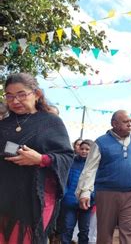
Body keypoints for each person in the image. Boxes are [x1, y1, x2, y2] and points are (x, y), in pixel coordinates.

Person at [0, 73, 74, 243]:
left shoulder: (51, 122)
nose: (15, 101)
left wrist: (41, 159)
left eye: (21, 94)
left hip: (35, 199)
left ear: (37, 94)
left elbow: (66, 156)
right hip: (4, 198)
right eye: (10, 96)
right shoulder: (3, 125)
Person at [76, 110, 131, 244]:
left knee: (130, 232)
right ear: (114, 124)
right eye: (125, 122)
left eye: (130, 121)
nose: (130, 124)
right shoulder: (100, 143)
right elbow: (90, 169)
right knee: (104, 232)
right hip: (106, 194)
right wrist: (85, 192)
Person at [61, 140, 95, 244]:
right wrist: (66, 195)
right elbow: (65, 180)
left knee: (84, 231)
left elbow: (97, 185)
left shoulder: (95, 166)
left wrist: (92, 198)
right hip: (70, 203)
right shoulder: (71, 162)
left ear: (92, 151)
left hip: (86, 204)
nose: (84, 151)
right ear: (78, 149)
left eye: (87, 149)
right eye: (82, 148)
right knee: (67, 229)